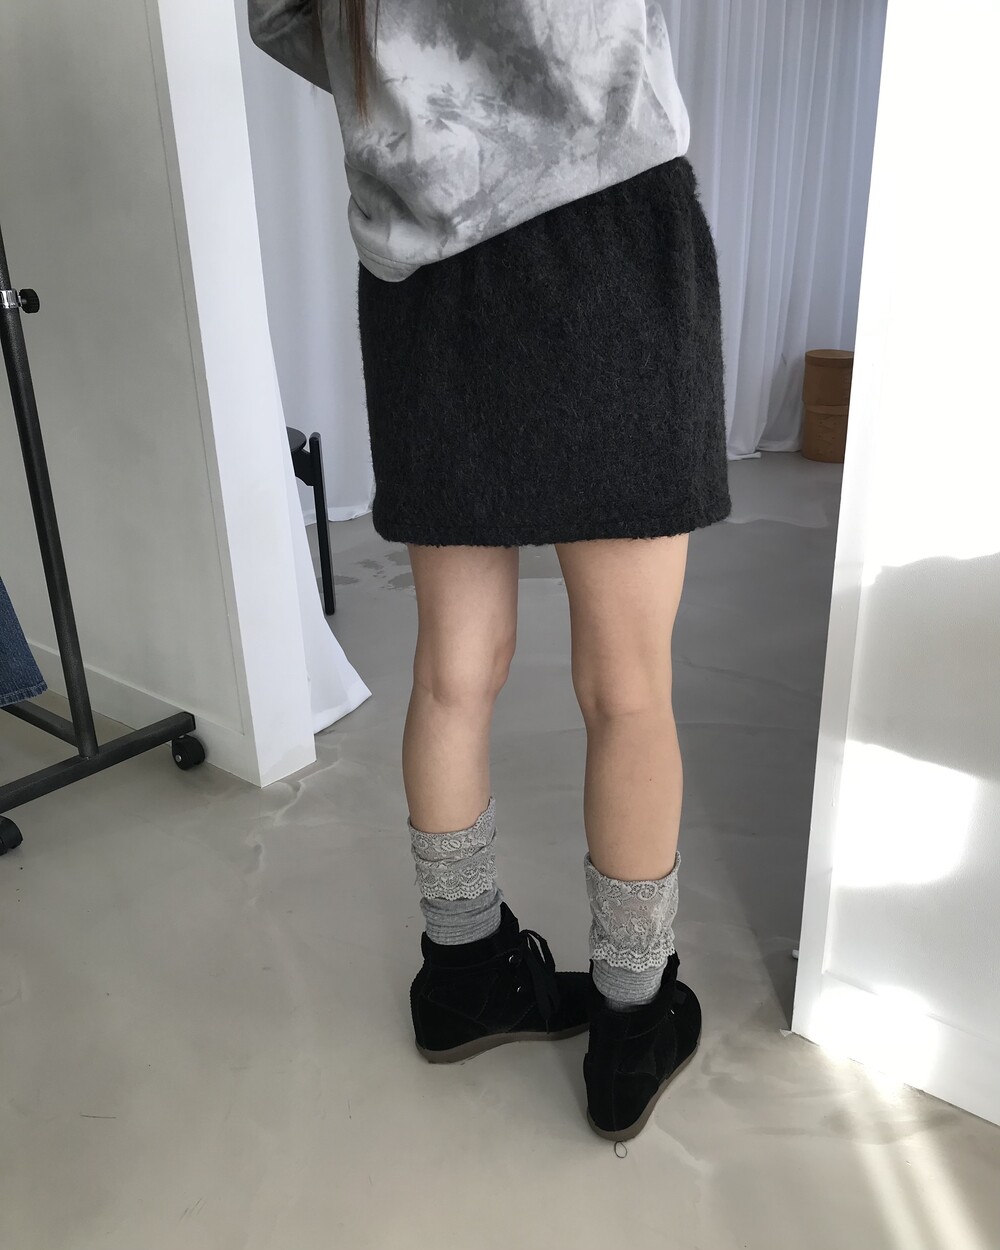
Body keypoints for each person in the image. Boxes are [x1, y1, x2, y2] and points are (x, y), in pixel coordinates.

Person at [248, 0, 731, 1142]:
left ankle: (463, 972)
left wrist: (421, 81)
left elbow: (282, 19)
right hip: (606, 229)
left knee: (452, 673)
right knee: (628, 684)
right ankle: (631, 1018)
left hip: (424, 261)